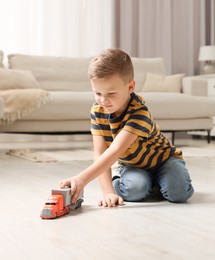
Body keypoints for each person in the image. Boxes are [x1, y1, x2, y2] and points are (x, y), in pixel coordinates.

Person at [59, 48, 194, 207]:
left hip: (164, 160)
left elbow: (115, 150)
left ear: (130, 87)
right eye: (98, 93)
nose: (103, 100)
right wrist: (108, 192)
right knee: (133, 191)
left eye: (111, 93)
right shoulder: (97, 112)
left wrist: (82, 179)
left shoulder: (139, 113)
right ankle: (148, 183)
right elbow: (100, 152)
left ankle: (161, 181)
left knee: (178, 193)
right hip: (133, 165)